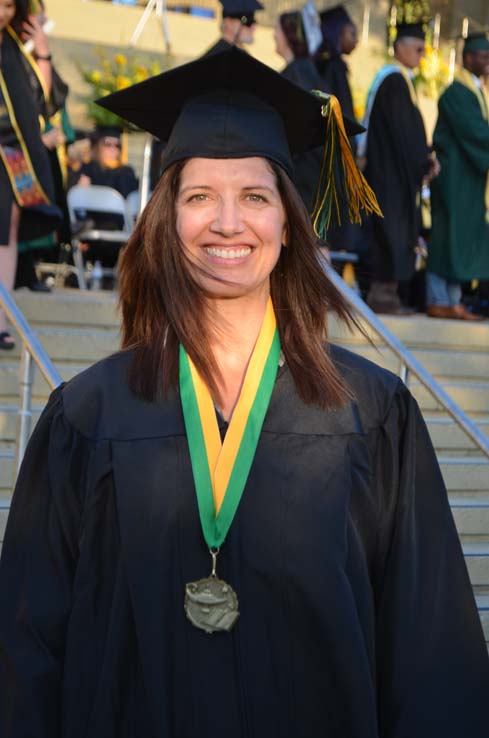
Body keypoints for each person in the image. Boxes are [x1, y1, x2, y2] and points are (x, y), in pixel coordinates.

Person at [1, 46, 488, 738]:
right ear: (168, 220)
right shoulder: (88, 415)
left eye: (254, 197)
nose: (227, 223)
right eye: (199, 196)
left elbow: (428, 654)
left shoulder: (370, 414)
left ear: (288, 224)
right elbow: (26, 656)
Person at [358, 22, 438, 315]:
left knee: (392, 231)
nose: (421, 55)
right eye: (418, 48)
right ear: (399, 47)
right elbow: (405, 134)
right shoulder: (393, 81)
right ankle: (383, 297)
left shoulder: (399, 80)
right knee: (389, 232)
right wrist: (424, 162)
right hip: (389, 177)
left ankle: (387, 296)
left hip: (390, 175)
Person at [0, 0, 61, 348]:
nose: (2, 12)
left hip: (11, 153)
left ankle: (1, 320)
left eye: (9, 5)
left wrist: (42, 52)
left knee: (7, 227)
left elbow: (44, 102)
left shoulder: (12, 46)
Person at [426, 32, 489, 320]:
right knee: (447, 236)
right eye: (480, 55)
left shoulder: (474, 90)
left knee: (459, 238)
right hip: (455, 178)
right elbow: (476, 133)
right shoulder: (456, 92)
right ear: (466, 59)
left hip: (468, 179)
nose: (486, 60)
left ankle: (453, 301)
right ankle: (438, 298)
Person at [274, 3, 330, 211]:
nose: (274, 35)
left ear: (289, 35)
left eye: (277, 30)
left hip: (300, 175)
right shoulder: (309, 72)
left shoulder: (292, 77)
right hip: (315, 173)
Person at [315, 4, 358, 125]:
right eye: (352, 34)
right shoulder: (333, 67)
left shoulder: (324, 62)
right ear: (337, 32)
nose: (356, 41)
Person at [73, 126, 138, 199]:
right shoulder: (86, 170)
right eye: (107, 144)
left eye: (117, 145)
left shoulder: (126, 173)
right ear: (95, 148)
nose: (113, 150)